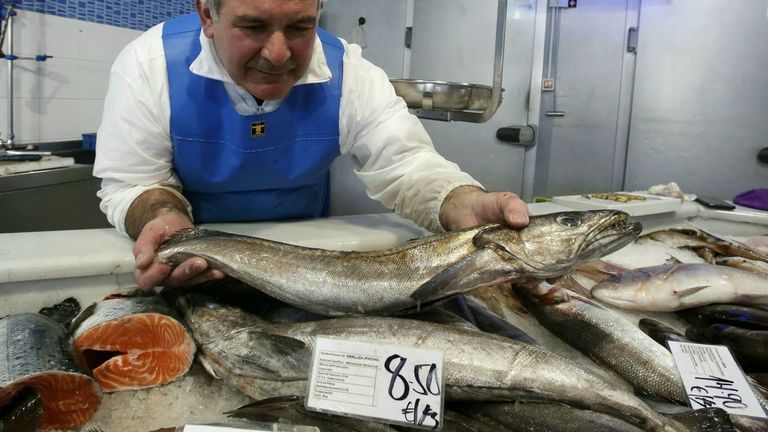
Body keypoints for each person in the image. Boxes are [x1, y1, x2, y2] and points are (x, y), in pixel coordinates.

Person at [93, 0, 530, 292]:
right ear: (208, 14)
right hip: (196, 262)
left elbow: (408, 165)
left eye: (301, 27)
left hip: (306, 264)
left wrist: (461, 201)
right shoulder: (149, 64)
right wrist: (161, 217)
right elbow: (132, 182)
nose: (279, 53)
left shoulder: (350, 72)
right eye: (253, 26)